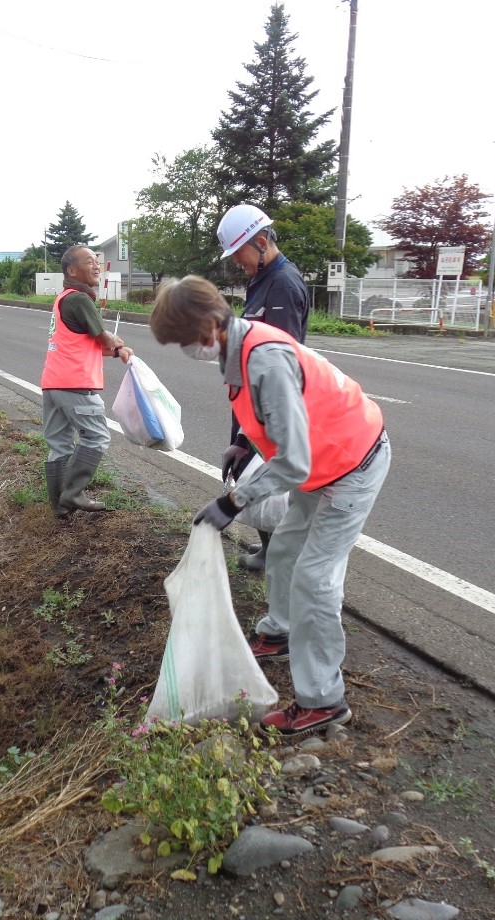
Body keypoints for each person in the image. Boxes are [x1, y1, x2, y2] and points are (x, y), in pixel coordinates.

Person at [150, 275, 390, 736]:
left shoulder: (265, 358)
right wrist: (244, 442)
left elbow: (294, 463)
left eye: (185, 340)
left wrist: (234, 501)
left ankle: (323, 701)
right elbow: (270, 413)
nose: (186, 351)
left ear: (210, 325)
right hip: (324, 459)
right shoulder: (238, 347)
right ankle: (279, 631)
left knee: (315, 580)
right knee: (283, 552)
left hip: (351, 463)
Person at [216, 203, 313, 571]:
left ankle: (281, 557)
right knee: (252, 474)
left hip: (269, 404)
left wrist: (245, 437)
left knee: (267, 478)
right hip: (253, 401)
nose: (236, 262)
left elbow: (279, 364)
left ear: (259, 241)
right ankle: (270, 549)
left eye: (238, 252)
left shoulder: (283, 285)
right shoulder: (263, 279)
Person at [40, 245, 133, 516]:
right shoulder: (81, 300)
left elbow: (89, 344)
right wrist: (116, 343)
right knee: (97, 437)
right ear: (71, 270)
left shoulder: (62, 299)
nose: (96, 266)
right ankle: (73, 494)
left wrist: (115, 350)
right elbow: (104, 337)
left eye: (97, 261)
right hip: (76, 384)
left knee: (59, 444)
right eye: (89, 261)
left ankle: (60, 507)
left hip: (53, 383)